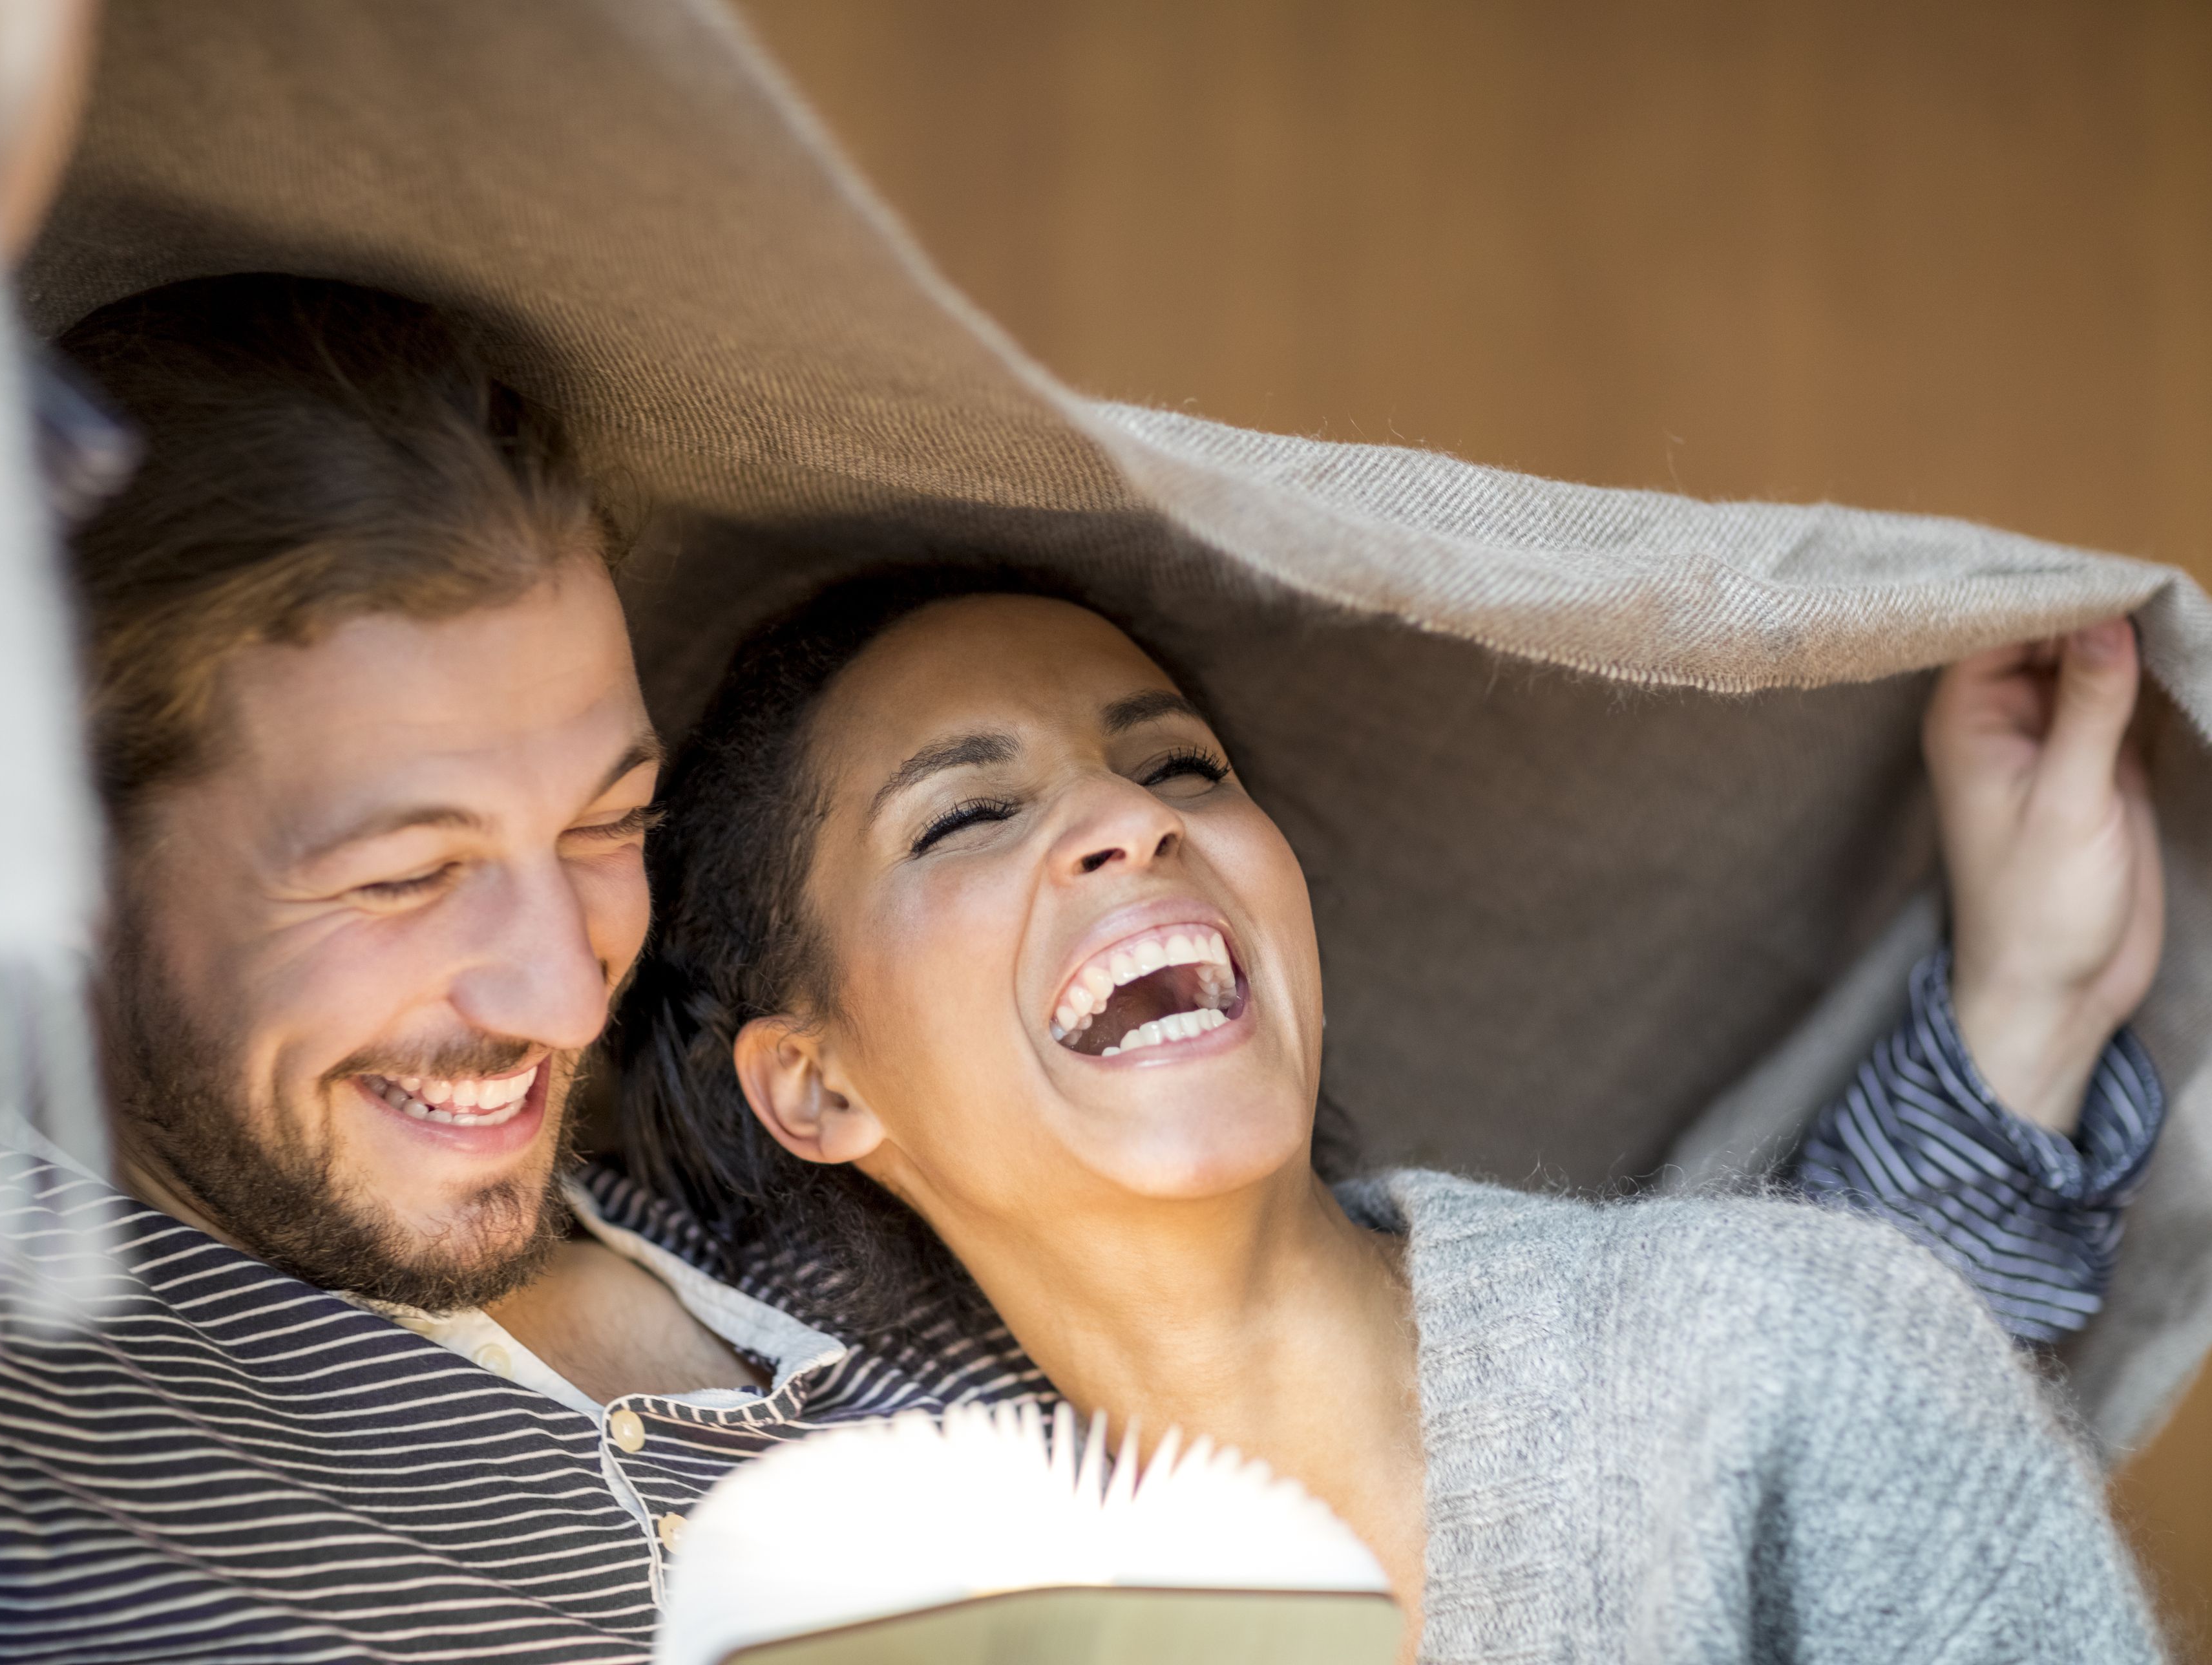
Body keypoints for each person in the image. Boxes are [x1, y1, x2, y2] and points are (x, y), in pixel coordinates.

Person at [0, 272, 2160, 1660]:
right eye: (406, 867)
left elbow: (1646, 1466)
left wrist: (2011, 1043)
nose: (551, 979)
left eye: (605, 823)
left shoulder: (873, 1304)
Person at [611, 567, 2167, 1660]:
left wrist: (2030, 1004)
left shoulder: (1777, 1359)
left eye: (1183, 766)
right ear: (815, 1086)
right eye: (968, 813)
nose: (1129, 818)